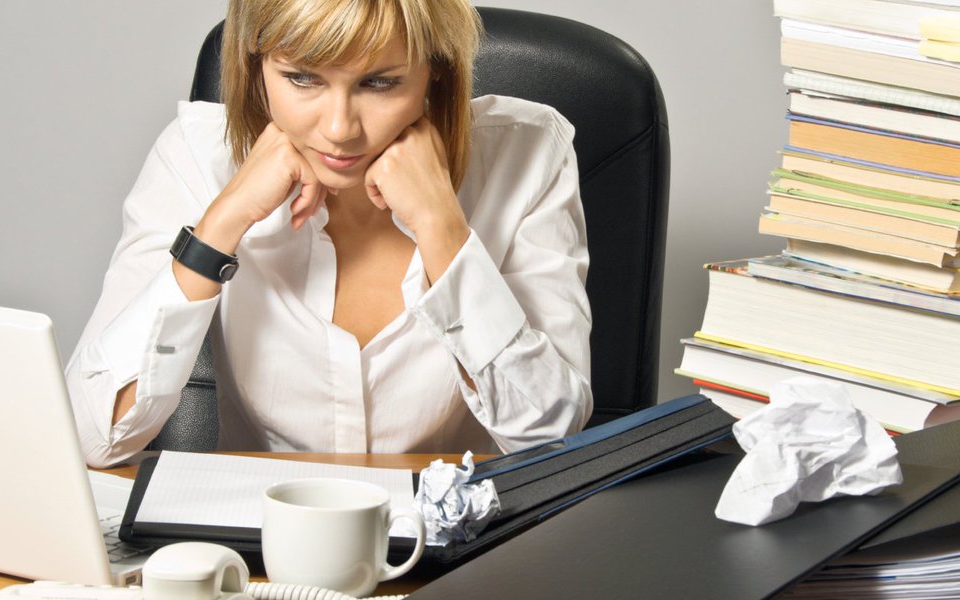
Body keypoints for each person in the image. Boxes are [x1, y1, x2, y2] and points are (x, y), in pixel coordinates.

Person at [66, 0, 592, 468]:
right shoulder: (197, 155)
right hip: (264, 538)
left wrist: (442, 228)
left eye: (379, 83)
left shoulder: (528, 152)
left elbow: (550, 439)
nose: (340, 129)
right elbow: (92, 437)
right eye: (301, 78)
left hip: (461, 539)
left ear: (436, 69)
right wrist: (223, 222)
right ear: (255, 66)